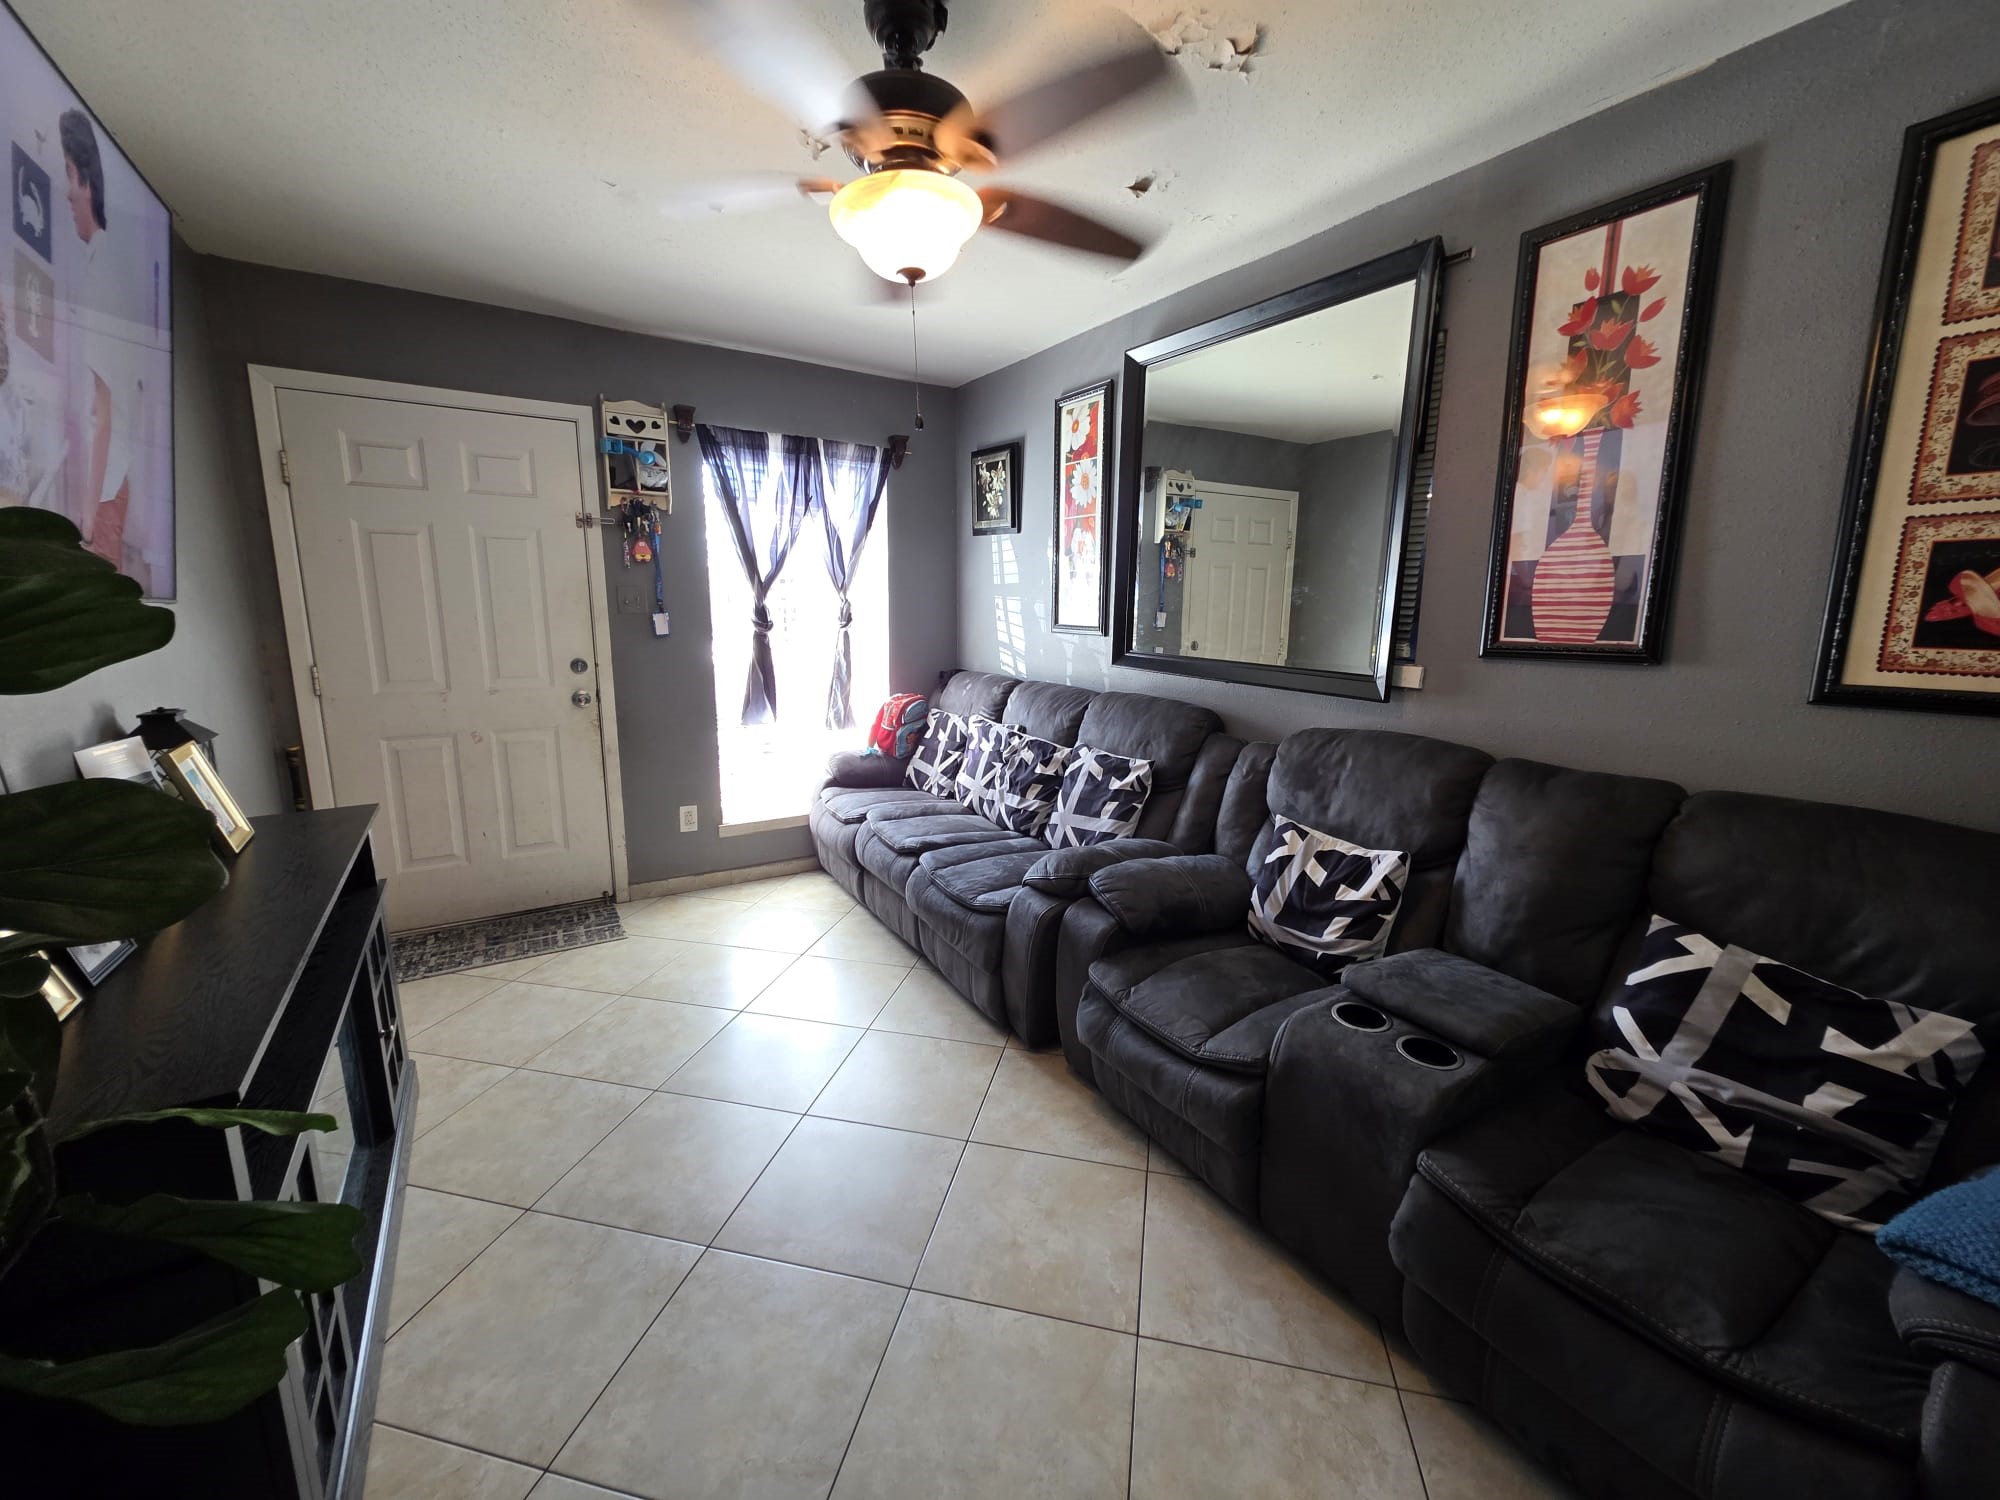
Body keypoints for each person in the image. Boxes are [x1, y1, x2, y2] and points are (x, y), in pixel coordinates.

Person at [60, 108, 141, 573]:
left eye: (70, 175)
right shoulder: (101, 263)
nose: (66, 192)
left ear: (88, 181)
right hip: (108, 482)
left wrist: (88, 519)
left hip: (105, 489)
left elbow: (103, 412)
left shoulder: (103, 273)